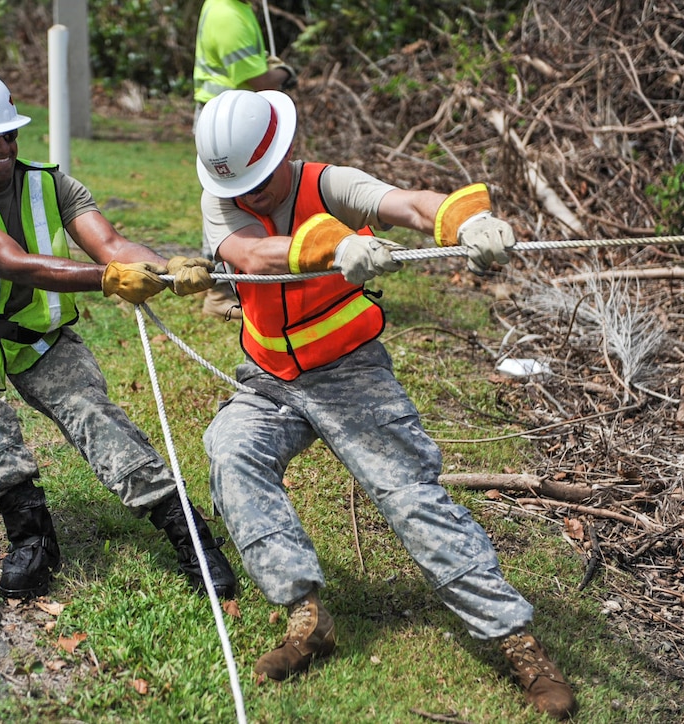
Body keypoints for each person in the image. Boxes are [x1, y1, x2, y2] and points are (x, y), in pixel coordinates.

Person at [192, 89, 577, 720]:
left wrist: (465, 224)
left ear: (288, 150)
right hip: (267, 378)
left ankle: (519, 644)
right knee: (231, 452)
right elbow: (250, 255)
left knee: (411, 497)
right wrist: (328, 248)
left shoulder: (331, 183)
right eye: (240, 186)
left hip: (351, 373)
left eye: (261, 183)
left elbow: (410, 205)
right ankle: (305, 614)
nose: (249, 197)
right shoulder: (222, 196)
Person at [0, 70, 236, 602]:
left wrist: (168, 268)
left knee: (92, 411)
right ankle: (31, 534)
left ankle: (189, 533)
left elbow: (111, 244)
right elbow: (15, 264)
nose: (3, 148)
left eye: (10, 135)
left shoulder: (52, 184)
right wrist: (106, 280)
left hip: (35, 334)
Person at [193, 0, 297, 321]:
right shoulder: (228, 14)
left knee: (244, 198)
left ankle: (246, 282)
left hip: (237, 122)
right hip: (226, 129)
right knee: (230, 202)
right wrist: (285, 72)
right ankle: (220, 291)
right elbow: (259, 80)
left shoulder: (234, 7)